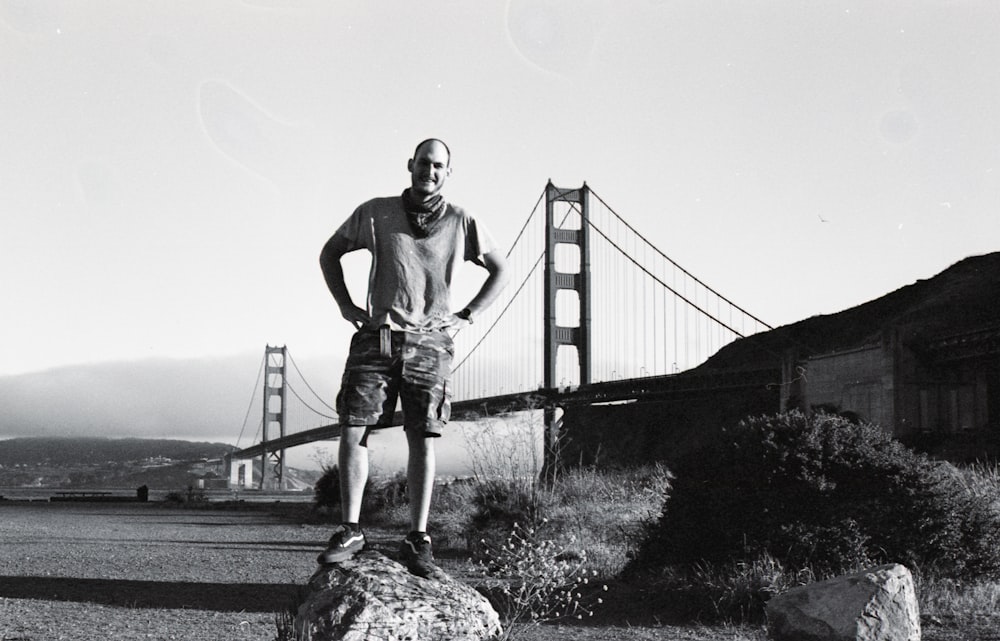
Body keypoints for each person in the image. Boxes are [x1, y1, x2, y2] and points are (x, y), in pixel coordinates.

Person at [317, 138, 510, 577]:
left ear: (448, 172)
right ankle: (351, 529)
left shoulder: (462, 220)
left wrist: (467, 316)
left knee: (422, 436)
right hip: (378, 336)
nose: (430, 171)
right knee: (353, 429)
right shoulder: (375, 210)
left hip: (430, 342)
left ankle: (418, 537)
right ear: (410, 165)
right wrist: (347, 307)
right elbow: (330, 252)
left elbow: (502, 268)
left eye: (439, 166)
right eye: (424, 163)